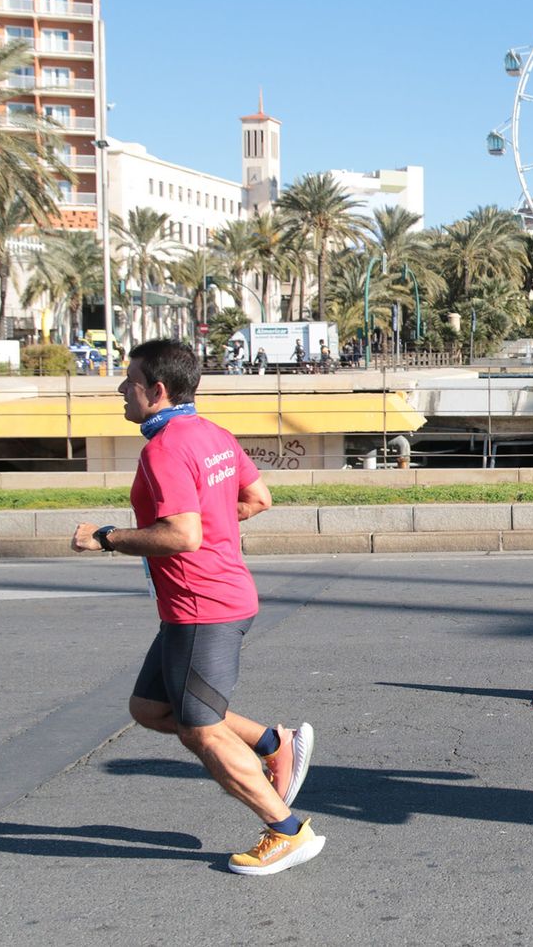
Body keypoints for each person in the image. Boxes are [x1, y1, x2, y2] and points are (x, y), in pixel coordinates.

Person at [72, 338, 323, 876]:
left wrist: (107, 537)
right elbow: (258, 499)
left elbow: (181, 535)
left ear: (156, 390)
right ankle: (273, 744)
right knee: (151, 709)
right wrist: (213, 524)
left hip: (202, 604)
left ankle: (287, 830)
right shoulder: (212, 434)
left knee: (199, 729)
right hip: (212, 598)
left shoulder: (162, 449)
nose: (120, 389)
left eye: (129, 381)